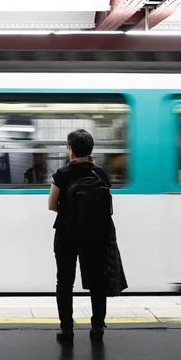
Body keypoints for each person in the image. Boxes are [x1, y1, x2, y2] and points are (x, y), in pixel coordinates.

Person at [48, 129, 111, 344]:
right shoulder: (101, 174)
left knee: (65, 282)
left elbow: (52, 205)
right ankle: (97, 326)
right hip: (95, 234)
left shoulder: (61, 174)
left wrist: (69, 212)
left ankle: (67, 329)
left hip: (66, 233)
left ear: (71, 150)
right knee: (97, 281)